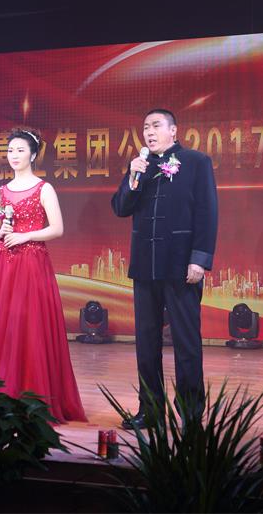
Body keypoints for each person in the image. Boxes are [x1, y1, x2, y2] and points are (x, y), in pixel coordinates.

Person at [0, 128, 86, 423]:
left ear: (33, 154)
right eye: (10, 150)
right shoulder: (1, 192)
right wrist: (0, 231)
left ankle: (30, 396)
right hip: (2, 265)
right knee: (0, 325)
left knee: (29, 326)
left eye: (20, 150)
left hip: (31, 264)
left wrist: (25, 236)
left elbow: (57, 228)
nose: (14, 155)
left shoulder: (44, 188)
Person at [111, 109, 218, 429]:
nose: (149, 132)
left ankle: (190, 413)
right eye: (145, 127)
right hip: (145, 265)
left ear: (173, 130)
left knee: (186, 342)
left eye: (156, 125)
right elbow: (120, 208)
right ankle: (150, 410)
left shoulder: (196, 162)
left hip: (181, 264)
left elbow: (207, 212)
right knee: (146, 343)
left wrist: (199, 258)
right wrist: (132, 177)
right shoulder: (140, 166)